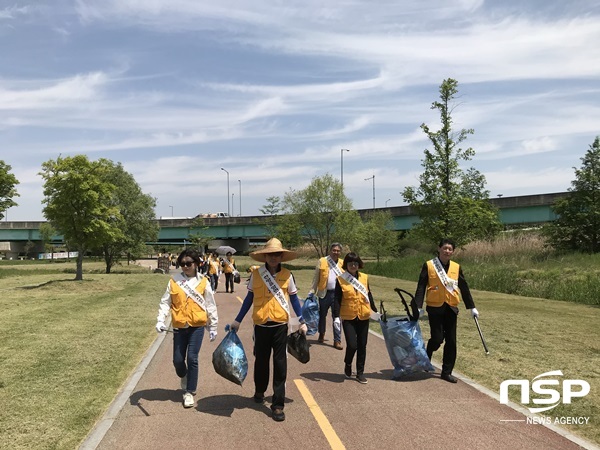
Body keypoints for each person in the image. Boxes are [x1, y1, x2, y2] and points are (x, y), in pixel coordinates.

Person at [230, 238, 307, 422]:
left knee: (280, 364)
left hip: (280, 326)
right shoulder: (257, 275)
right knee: (261, 362)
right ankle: (260, 390)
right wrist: (237, 320)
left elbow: (295, 300)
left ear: (282, 256)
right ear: (265, 256)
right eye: (270, 254)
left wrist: (301, 320)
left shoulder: (288, 275)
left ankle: (278, 404)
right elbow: (249, 299)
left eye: (277, 254)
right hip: (261, 326)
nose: (273, 257)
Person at [155, 249, 218, 408]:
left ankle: (190, 391)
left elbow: (210, 304)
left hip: (197, 326)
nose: (185, 267)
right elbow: (165, 302)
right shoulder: (174, 281)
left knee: (192, 358)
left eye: (188, 263)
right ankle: (184, 375)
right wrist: (160, 320)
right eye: (182, 264)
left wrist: (213, 326)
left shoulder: (204, 282)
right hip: (179, 326)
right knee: (178, 360)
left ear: (196, 264)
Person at [412, 238, 479, 383]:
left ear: (453, 251)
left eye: (450, 249)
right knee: (437, 338)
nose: (447, 251)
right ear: (439, 248)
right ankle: (429, 350)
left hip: (451, 307)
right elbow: (421, 286)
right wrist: (417, 306)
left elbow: (464, 286)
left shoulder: (456, 267)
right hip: (435, 307)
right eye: (445, 248)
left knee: (451, 341)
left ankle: (446, 372)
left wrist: (471, 306)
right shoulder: (429, 265)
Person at [333, 252, 379, 384]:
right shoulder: (341, 279)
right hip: (349, 316)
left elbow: (368, 294)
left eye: (355, 263)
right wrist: (336, 316)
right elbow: (337, 299)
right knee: (352, 345)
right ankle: (348, 363)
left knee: (362, 345)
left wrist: (374, 310)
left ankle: (360, 373)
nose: (353, 265)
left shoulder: (364, 277)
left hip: (363, 315)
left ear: (359, 264)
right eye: (350, 263)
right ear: (346, 265)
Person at [310, 242, 344, 350]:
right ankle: (322, 333)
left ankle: (337, 340)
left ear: (340, 252)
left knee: (337, 317)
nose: (336, 252)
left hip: (337, 294)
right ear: (330, 251)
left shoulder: (343, 263)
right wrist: (312, 292)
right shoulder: (322, 261)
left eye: (338, 251)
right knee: (322, 315)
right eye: (334, 250)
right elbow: (316, 278)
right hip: (324, 293)